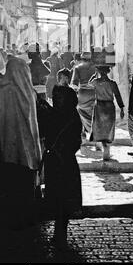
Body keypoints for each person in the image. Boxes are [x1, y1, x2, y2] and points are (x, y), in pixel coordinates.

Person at [0, 57, 42, 228]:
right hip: (28, 148)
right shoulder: (29, 92)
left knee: (15, 184)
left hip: (13, 149)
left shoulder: (10, 90)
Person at [43, 68, 82, 248]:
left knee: (61, 198)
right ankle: (60, 233)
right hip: (64, 163)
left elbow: (75, 141)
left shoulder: (62, 116)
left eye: (60, 98)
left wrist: (58, 150)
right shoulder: (70, 116)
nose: (57, 101)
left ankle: (61, 233)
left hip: (61, 162)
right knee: (61, 198)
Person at [90, 66, 125, 161]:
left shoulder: (96, 82)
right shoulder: (112, 83)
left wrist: (94, 75)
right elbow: (118, 96)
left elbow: (88, 85)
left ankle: (101, 145)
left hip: (100, 107)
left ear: (99, 72)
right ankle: (106, 147)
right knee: (108, 128)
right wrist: (122, 108)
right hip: (110, 107)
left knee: (99, 127)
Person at [71, 52, 96, 144]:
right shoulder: (96, 67)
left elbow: (74, 84)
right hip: (95, 93)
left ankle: (83, 136)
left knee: (80, 115)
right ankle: (96, 136)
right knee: (94, 115)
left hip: (83, 93)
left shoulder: (78, 68)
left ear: (82, 58)